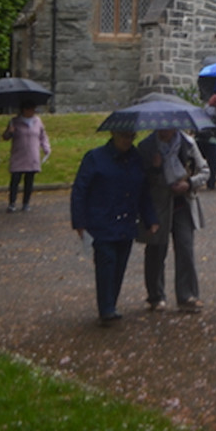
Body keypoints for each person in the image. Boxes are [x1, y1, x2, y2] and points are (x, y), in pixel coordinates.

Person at [70, 130, 159, 326]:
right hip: (101, 221)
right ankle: (106, 308)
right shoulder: (95, 158)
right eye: (124, 136)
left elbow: (143, 191)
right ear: (113, 134)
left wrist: (150, 218)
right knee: (106, 264)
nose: (128, 140)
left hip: (126, 221)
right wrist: (79, 222)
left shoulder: (136, 159)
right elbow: (80, 190)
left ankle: (111, 303)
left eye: (131, 136)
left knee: (119, 265)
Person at [137, 128, 210, 313]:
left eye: (169, 126)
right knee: (156, 250)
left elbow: (204, 171)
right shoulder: (146, 146)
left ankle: (187, 296)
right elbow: (140, 179)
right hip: (158, 205)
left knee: (185, 248)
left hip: (183, 204)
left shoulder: (188, 144)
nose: (165, 130)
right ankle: (155, 296)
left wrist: (189, 184)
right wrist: (154, 168)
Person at [2, 102, 50, 213]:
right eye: (30, 109)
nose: (32, 111)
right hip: (18, 154)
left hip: (32, 154)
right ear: (24, 110)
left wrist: (46, 147)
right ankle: (12, 202)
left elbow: (43, 136)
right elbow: (5, 137)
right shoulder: (14, 121)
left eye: (33, 109)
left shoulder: (37, 121)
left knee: (29, 180)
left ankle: (26, 203)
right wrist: (10, 132)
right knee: (15, 180)